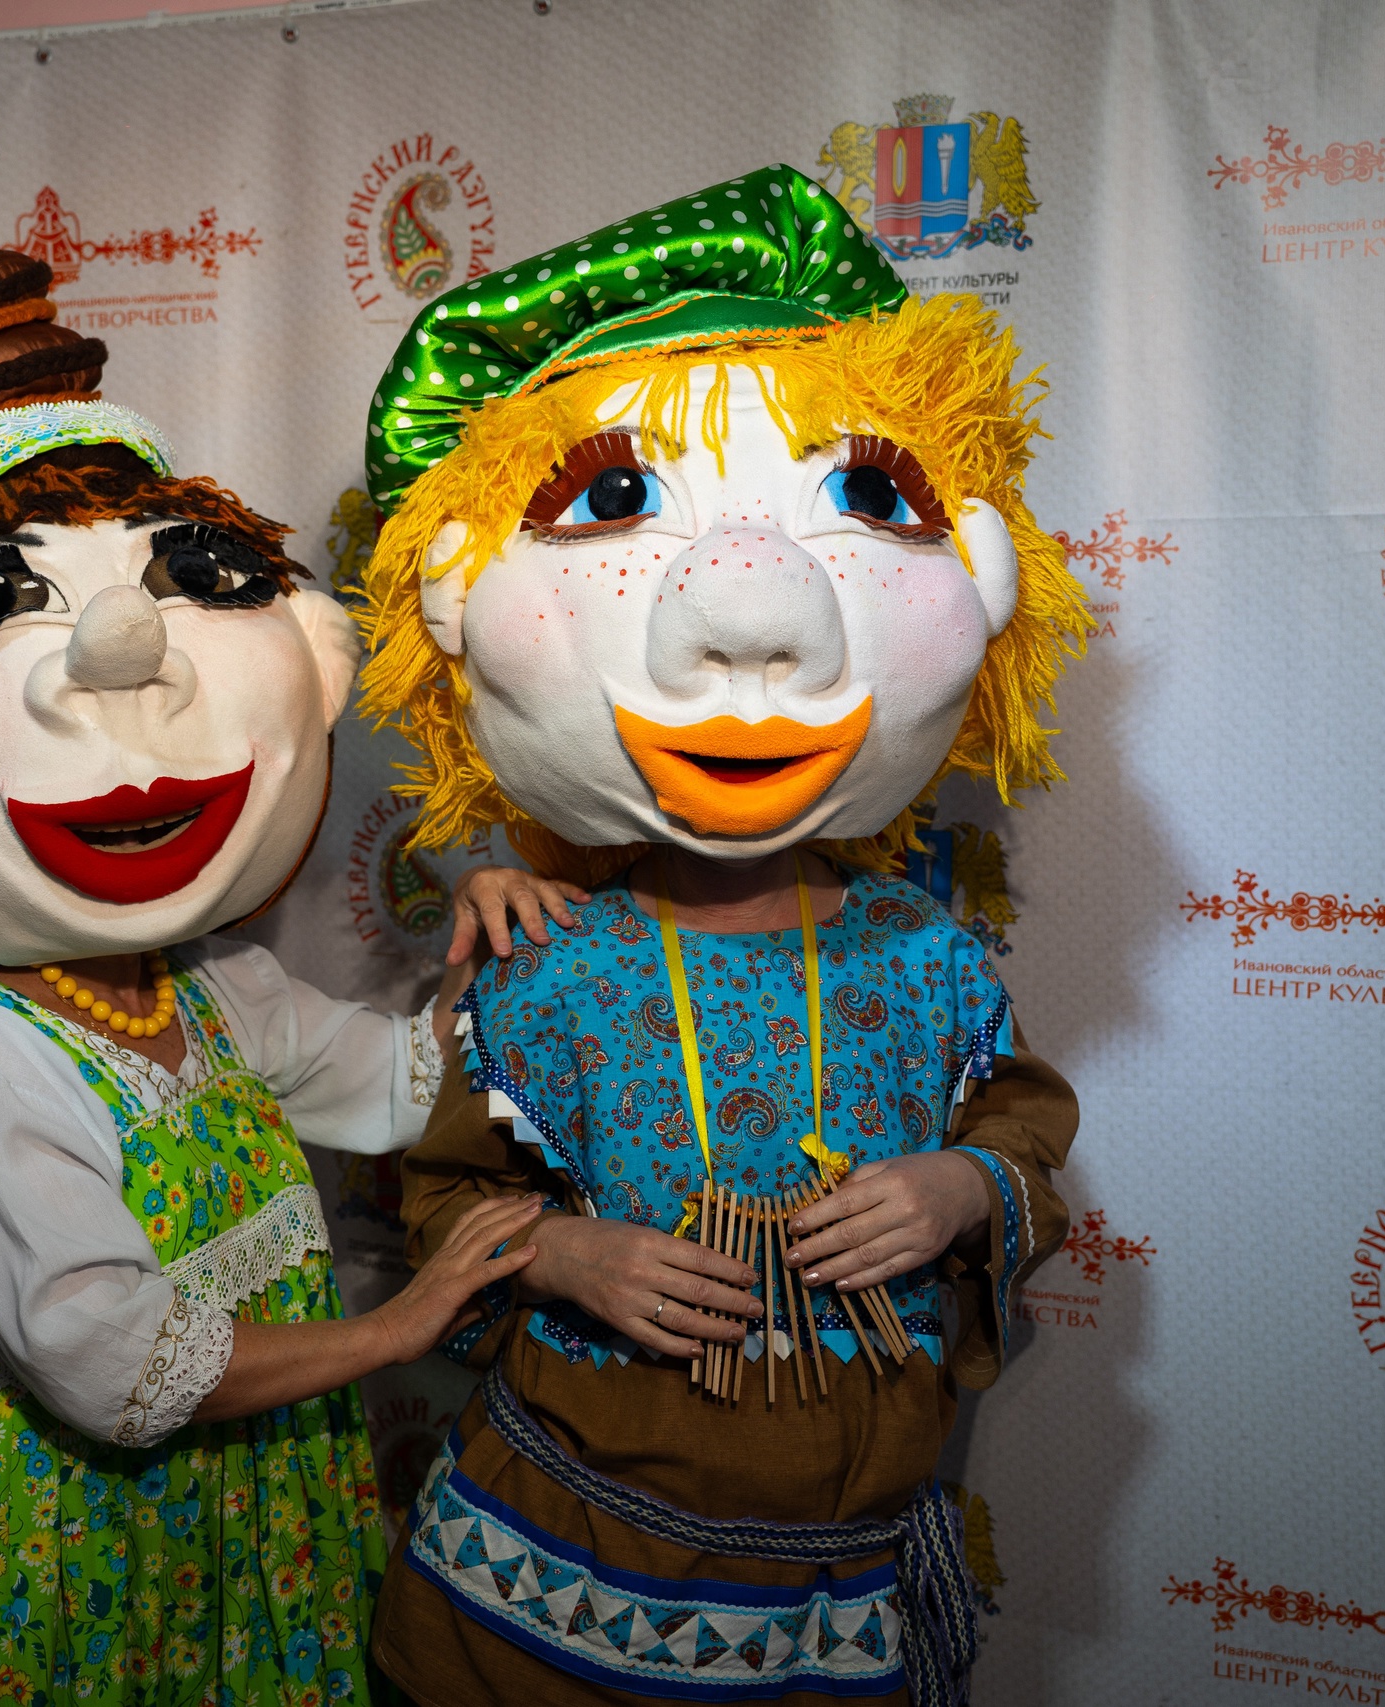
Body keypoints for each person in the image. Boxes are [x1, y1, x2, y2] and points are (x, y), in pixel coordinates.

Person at [0, 210, 577, 1706]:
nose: (120, 655)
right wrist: (400, 1326)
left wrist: (498, 929)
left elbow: (404, 1085)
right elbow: (116, 1365)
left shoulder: (210, 988)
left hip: (250, 1508)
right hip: (77, 1541)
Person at [351, 167, 1091, 1705]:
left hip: (846, 1592)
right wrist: (561, 1249)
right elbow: (440, 1198)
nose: (752, 622)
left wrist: (962, 1188)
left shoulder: (923, 951)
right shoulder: (547, 957)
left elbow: (1025, 1132)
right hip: (543, 1581)